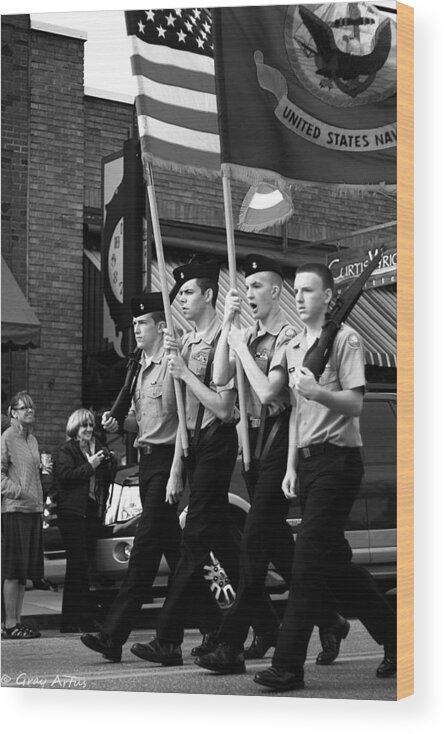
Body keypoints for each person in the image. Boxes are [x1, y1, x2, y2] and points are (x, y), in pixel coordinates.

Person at [196, 254, 348, 675]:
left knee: (252, 547)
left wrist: (242, 346)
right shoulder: (245, 333)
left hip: (281, 445)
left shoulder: (287, 337)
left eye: (257, 286)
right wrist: (228, 328)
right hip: (254, 449)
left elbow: (268, 394)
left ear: (277, 292)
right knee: (277, 548)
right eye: (246, 288)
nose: (250, 294)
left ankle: (231, 645)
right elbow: (222, 376)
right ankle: (329, 617)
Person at [252, 263, 396, 692]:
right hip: (310, 465)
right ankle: (398, 639)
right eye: (295, 290)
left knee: (306, 561)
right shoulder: (295, 346)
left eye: (308, 290)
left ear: (329, 297)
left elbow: (353, 404)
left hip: (339, 463)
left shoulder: (346, 340)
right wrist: (292, 466)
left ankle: (288, 665)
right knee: (335, 566)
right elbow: (297, 413)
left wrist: (318, 391)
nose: (299, 297)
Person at [129, 259, 241, 667]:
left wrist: (186, 375)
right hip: (194, 446)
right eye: (178, 295)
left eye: (189, 292)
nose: (182, 300)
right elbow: (182, 416)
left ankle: (168, 637)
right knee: (225, 548)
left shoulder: (223, 338)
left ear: (209, 295)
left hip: (218, 441)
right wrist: (177, 469)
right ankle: (264, 623)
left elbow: (224, 409)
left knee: (193, 541)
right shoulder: (189, 343)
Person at [80, 292, 182, 662]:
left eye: (143, 324)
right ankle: (222, 627)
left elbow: (180, 423)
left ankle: (114, 633)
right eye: (135, 324)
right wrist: (117, 421)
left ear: (160, 327)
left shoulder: (172, 366)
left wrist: (176, 472)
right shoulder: (139, 367)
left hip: (168, 462)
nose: (136, 329)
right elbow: (144, 422)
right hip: (147, 461)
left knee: (143, 551)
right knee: (182, 556)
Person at [55, 408, 116, 633]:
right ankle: (78, 619)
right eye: (84, 426)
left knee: (84, 566)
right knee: (77, 564)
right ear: (75, 428)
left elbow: (108, 475)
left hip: (91, 511)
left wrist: (109, 461)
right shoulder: (66, 449)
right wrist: (90, 465)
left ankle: (76, 620)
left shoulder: (98, 448)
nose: (88, 430)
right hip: (71, 513)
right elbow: (65, 477)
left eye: (91, 425)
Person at [1, 391, 45, 639]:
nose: (30, 411)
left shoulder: (32, 439)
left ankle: (16, 621)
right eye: (24, 407)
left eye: (32, 407)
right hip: (15, 510)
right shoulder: (7, 437)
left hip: (33, 510)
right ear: (13, 412)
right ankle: (8, 624)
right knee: (12, 570)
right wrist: (19, 492)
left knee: (23, 573)